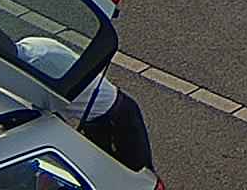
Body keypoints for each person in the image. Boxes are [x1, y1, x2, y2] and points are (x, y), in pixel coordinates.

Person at [12, 36, 152, 175]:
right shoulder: (32, 43)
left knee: (138, 174)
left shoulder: (34, 67)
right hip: (99, 116)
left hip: (116, 119)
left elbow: (46, 114)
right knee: (104, 173)